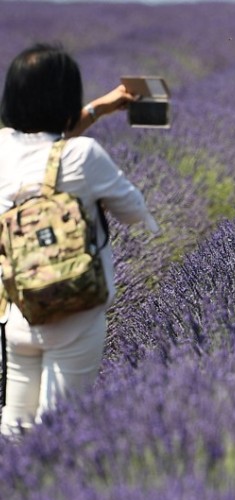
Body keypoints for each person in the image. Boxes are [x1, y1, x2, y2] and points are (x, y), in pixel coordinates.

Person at [0, 43, 159, 435]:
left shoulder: (2, 148)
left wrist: (101, 108)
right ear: (67, 98)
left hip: (18, 309)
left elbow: (43, 145)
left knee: (15, 424)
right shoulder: (84, 155)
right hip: (75, 310)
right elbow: (133, 211)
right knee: (61, 426)